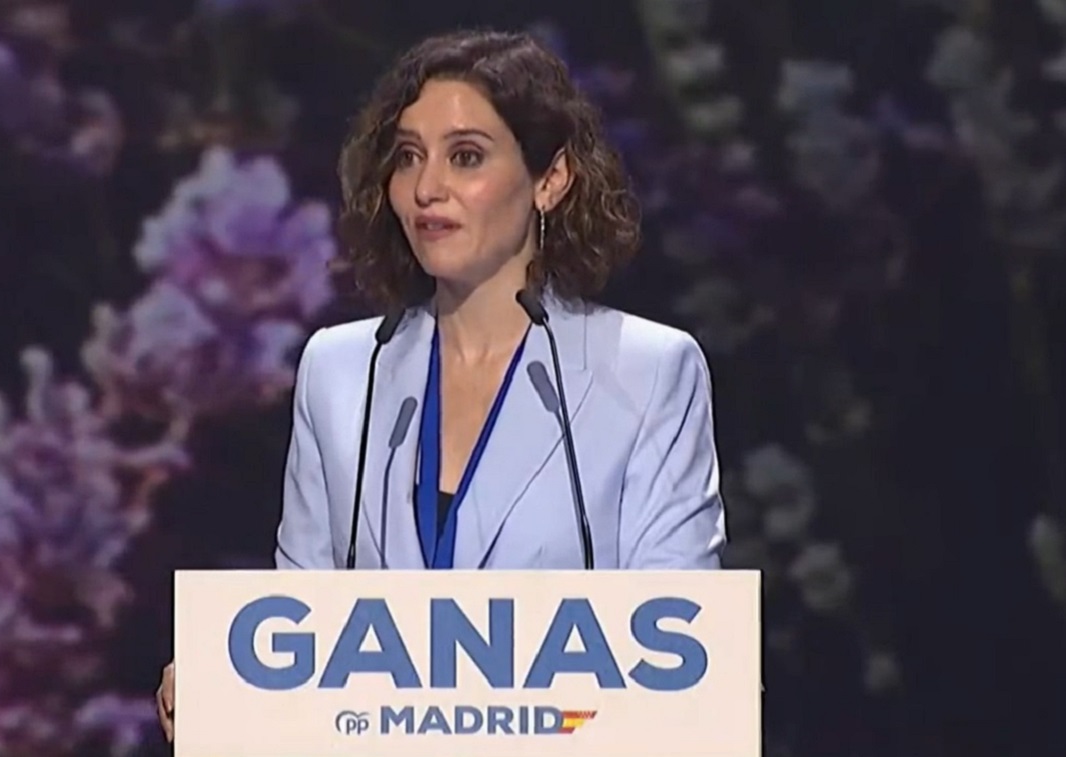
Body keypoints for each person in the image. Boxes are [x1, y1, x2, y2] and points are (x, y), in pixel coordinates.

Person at [155, 27, 726, 741]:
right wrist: (229, 682)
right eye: (408, 157)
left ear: (550, 179)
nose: (427, 189)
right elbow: (302, 624)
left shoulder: (647, 371)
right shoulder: (340, 372)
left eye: (466, 157)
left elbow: (679, 648)